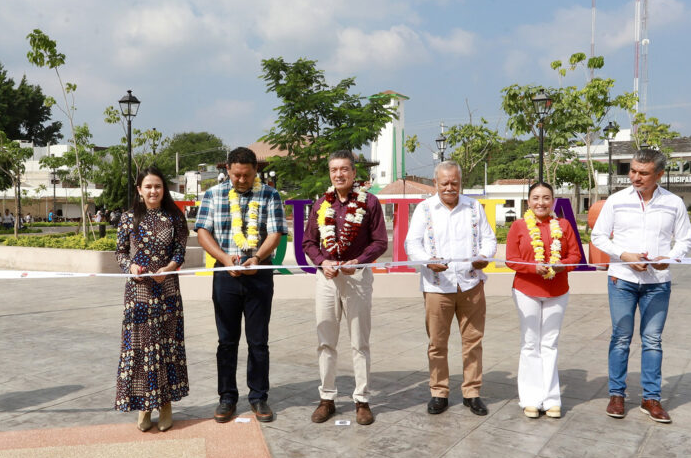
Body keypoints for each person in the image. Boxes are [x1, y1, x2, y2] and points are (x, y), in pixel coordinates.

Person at [592, 149, 691, 424]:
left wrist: (670, 259)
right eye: (633, 170)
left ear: (659, 174)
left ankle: (651, 399)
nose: (635, 177)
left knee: (652, 340)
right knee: (620, 338)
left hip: (657, 284)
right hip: (621, 280)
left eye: (643, 173)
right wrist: (624, 255)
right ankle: (616, 395)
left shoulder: (674, 203)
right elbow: (598, 236)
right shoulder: (616, 201)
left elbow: (685, 241)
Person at [195, 147, 287, 423]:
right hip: (226, 275)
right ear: (228, 171)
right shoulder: (213, 194)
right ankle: (227, 397)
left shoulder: (270, 194)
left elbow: (275, 233)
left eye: (246, 175)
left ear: (255, 171)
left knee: (258, 341)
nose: (241, 180)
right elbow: (202, 231)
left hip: (258, 274)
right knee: (226, 341)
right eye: (236, 175)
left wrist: (257, 257)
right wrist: (224, 259)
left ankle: (259, 396)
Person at [405, 161, 497, 417]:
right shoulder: (424, 209)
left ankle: (472, 392)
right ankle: (439, 392)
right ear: (435, 183)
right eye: (444, 182)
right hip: (437, 286)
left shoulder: (473, 207)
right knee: (437, 343)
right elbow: (412, 243)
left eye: (454, 182)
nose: (449, 187)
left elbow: (489, 239)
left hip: (470, 283)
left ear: (460, 183)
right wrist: (427, 261)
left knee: (473, 341)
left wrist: (483, 256)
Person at [302, 150, 388, 425]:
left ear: (353, 173)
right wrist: (321, 261)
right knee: (326, 340)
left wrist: (359, 261)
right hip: (327, 278)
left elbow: (379, 242)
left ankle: (361, 400)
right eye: (334, 170)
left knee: (359, 342)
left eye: (344, 169)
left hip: (357, 277)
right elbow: (308, 243)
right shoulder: (320, 205)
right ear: (330, 174)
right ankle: (326, 398)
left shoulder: (370, 202)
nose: (339, 174)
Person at [114, 165, 189, 432]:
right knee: (142, 346)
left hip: (167, 290)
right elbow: (120, 252)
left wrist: (169, 268)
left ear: (163, 189)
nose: (153, 190)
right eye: (148, 186)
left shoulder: (175, 217)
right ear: (139, 190)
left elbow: (180, 252)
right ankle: (144, 407)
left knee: (166, 345)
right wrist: (130, 267)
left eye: (157, 186)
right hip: (139, 293)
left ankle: (165, 404)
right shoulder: (128, 217)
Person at [505, 182, 581, 419]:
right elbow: (511, 259)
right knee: (530, 344)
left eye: (546, 198)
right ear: (528, 201)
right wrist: (532, 268)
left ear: (553, 201)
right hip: (526, 289)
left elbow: (576, 256)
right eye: (536, 197)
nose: (541, 202)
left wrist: (562, 265)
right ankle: (530, 399)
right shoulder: (518, 226)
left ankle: (550, 399)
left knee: (549, 344)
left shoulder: (564, 225)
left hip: (557, 290)